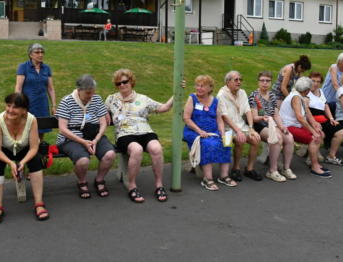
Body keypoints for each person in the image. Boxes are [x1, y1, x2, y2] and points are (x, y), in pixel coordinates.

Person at [105, 68, 175, 203]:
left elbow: (164, 107)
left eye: (124, 82)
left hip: (145, 131)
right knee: (136, 150)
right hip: (124, 134)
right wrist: (105, 114)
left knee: (157, 148)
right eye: (118, 83)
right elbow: (100, 112)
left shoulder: (143, 99)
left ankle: (159, 185)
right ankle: (132, 186)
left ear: (131, 82)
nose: (122, 85)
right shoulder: (111, 99)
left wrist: (176, 92)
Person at [0, 93, 49, 224]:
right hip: (4, 150)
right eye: (8, 106)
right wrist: (11, 163)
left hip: (25, 149)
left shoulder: (31, 120)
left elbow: (34, 147)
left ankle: (39, 203)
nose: (10, 110)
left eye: (15, 107)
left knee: (36, 161)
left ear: (24, 110)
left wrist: (22, 162)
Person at [55, 75, 116, 198]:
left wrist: (96, 139)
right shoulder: (67, 101)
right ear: (78, 90)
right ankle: (82, 182)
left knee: (110, 154)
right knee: (83, 161)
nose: (91, 96)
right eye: (88, 93)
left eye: (93, 92)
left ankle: (99, 180)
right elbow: (62, 129)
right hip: (71, 138)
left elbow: (103, 123)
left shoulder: (96, 99)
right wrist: (83, 142)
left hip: (94, 135)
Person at [183, 75, 236, 191]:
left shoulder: (215, 101)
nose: (199, 88)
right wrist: (199, 130)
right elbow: (186, 118)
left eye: (202, 86)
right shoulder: (192, 98)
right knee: (207, 144)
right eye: (197, 85)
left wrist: (222, 133)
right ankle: (207, 178)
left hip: (213, 131)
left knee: (227, 140)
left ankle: (224, 175)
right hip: (194, 131)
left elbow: (219, 120)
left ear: (210, 88)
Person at [248, 71, 296, 182]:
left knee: (289, 137)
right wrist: (263, 118)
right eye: (262, 80)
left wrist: (282, 126)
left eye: (267, 81)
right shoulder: (254, 96)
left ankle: (286, 168)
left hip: (271, 123)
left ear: (271, 82)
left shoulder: (272, 95)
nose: (265, 83)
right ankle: (272, 170)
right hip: (259, 124)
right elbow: (254, 117)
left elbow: (276, 114)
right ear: (258, 82)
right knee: (277, 138)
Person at [279, 77, 331, 178]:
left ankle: (313, 161)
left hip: (295, 125)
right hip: (288, 126)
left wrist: (315, 123)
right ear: (306, 90)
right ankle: (314, 167)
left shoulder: (299, 94)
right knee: (314, 138)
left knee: (321, 134)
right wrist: (313, 131)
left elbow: (307, 112)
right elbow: (300, 118)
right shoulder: (296, 97)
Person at [217, 71, 262, 182]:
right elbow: (224, 117)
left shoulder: (242, 92)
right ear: (228, 82)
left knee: (256, 139)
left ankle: (249, 169)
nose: (239, 82)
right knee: (240, 139)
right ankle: (235, 168)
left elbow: (248, 111)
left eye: (240, 79)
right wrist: (238, 131)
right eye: (236, 80)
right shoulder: (221, 95)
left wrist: (251, 128)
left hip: (242, 126)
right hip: (227, 129)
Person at [15, 43, 56, 141]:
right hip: (28, 104)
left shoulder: (46, 68)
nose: (40, 54)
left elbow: (50, 88)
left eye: (42, 52)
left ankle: (39, 153)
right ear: (30, 54)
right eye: (37, 52)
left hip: (42, 104)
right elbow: (18, 88)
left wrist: (54, 106)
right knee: (26, 131)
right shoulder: (23, 67)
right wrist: (19, 105)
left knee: (41, 130)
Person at [307, 72, 343, 166]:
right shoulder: (305, 92)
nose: (315, 83)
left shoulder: (321, 91)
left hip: (323, 119)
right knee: (320, 134)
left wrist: (331, 118)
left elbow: (325, 105)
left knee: (341, 131)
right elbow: (305, 111)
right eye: (313, 81)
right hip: (311, 120)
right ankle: (311, 159)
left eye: (318, 81)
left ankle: (331, 156)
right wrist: (313, 122)